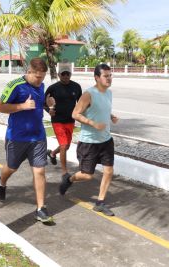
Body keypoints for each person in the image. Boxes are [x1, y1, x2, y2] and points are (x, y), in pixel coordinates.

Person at [0, 58, 54, 223]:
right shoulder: (14, 85)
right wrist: (21, 106)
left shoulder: (41, 85)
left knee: (40, 171)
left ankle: (41, 208)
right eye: (37, 77)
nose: (40, 81)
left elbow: (38, 104)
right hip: (17, 137)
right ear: (28, 72)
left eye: (43, 77)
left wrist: (49, 106)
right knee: (11, 168)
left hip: (38, 136)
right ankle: (2, 182)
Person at [59, 64, 119, 216]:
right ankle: (70, 179)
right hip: (89, 142)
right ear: (97, 78)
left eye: (110, 75)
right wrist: (93, 124)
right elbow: (75, 114)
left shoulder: (109, 93)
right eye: (106, 76)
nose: (109, 78)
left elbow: (103, 108)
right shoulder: (88, 94)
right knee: (87, 175)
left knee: (108, 171)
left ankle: (100, 202)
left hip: (106, 140)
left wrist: (111, 116)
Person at [44, 63, 82, 181]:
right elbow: (44, 102)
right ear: (59, 74)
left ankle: (52, 154)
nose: (66, 76)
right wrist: (48, 111)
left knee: (66, 146)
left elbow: (81, 103)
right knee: (64, 145)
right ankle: (64, 172)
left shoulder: (76, 87)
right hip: (57, 121)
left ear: (70, 74)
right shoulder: (53, 88)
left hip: (70, 121)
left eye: (68, 74)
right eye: (63, 74)